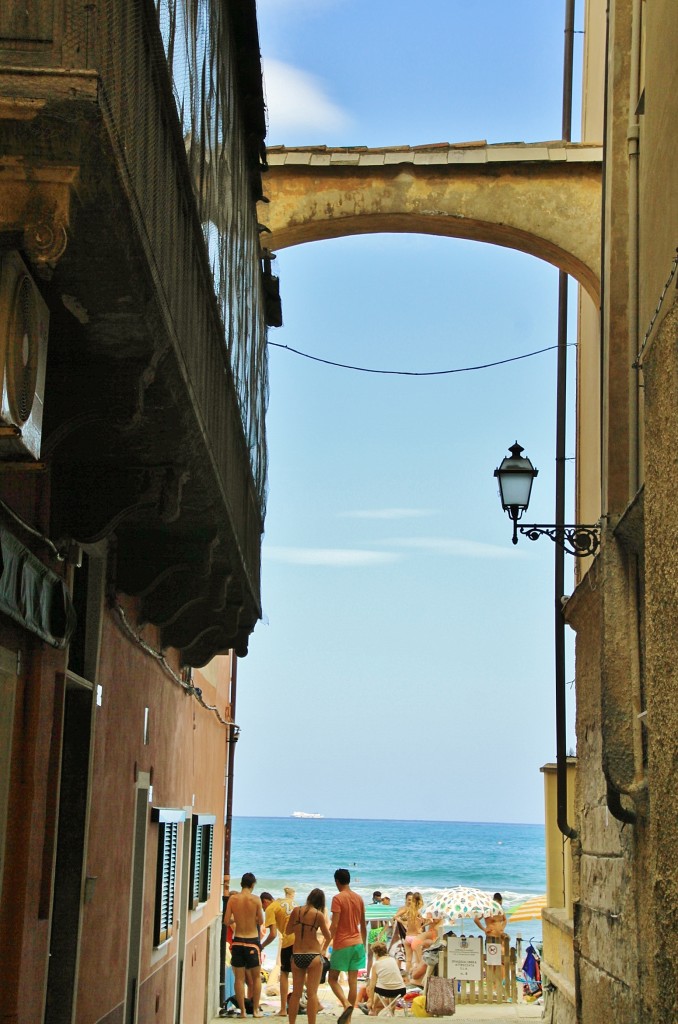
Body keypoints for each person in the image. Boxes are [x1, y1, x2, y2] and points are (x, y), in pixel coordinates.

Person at [326, 868, 367, 1024]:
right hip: (358, 944)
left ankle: (346, 1003)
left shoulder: (338, 898)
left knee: (332, 979)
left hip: (342, 944)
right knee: (353, 982)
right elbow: (363, 925)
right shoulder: (359, 898)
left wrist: (325, 943)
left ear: (337, 881)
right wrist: (363, 945)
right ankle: (347, 1020)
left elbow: (334, 925)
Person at [286, 888, 332, 1024]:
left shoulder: (296, 911)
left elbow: (288, 931)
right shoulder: (318, 915)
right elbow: (328, 936)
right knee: (312, 994)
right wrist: (323, 949)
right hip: (313, 956)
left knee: (296, 994)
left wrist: (298, 926)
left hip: (297, 955)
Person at [224, 872, 265, 1017]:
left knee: (239, 979)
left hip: (238, 941)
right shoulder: (256, 900)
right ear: (253, 884)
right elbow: (260, 921)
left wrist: (237, 920)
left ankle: (242, 1011)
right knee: (256, 978)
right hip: (252, 942)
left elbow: (226, 921)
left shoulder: (233, 899)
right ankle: (254, 1010)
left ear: (241, 884)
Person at [261, 887, 296, 1015]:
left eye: (262, 907)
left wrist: (262, 945)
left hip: (289, 941)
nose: (263, 910)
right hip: (302, 940)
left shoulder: (271, 908)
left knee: (284, 974)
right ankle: (315, 1003)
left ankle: (283, 1009)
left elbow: (273, 934)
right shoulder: (288, 901)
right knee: (301, 973)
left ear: (265, 901)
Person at [360, 941, 406, 1016]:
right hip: (401, 990)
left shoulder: (376, 964)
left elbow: (372, 986)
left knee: (377, 986)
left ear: (376, 953)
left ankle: (372, 1009)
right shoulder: (393, 960)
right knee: (390, 983)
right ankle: (392, 1012)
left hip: (385, 991)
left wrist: (371, 999)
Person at [399, 892, 424, 972]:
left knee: (408, 960)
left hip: (408, 937)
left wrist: (404, 923)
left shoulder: (408, 910)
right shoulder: (419, 912)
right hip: (416, 937)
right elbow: (429, 920)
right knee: (419, 960)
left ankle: (408, 977)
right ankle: (417, 978)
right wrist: (422, 926)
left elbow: (396, 916)